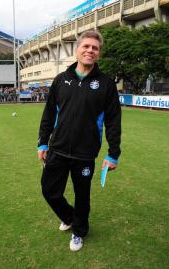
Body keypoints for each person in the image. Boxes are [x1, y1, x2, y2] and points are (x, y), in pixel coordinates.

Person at [37, 30, 121, 251]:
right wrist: (43, 142)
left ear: (99, 54)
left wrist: (113, 154)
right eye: (86, 46)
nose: (90, 51)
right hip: (58, 148)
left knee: (82, 196)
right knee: (49, 190)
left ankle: (79, 231)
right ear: (77, 50)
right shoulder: (61, 80)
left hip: (85, 152)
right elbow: (49, 114)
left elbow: (113, 121)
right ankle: (69, 217)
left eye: (95, 48)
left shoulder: (106, 84)